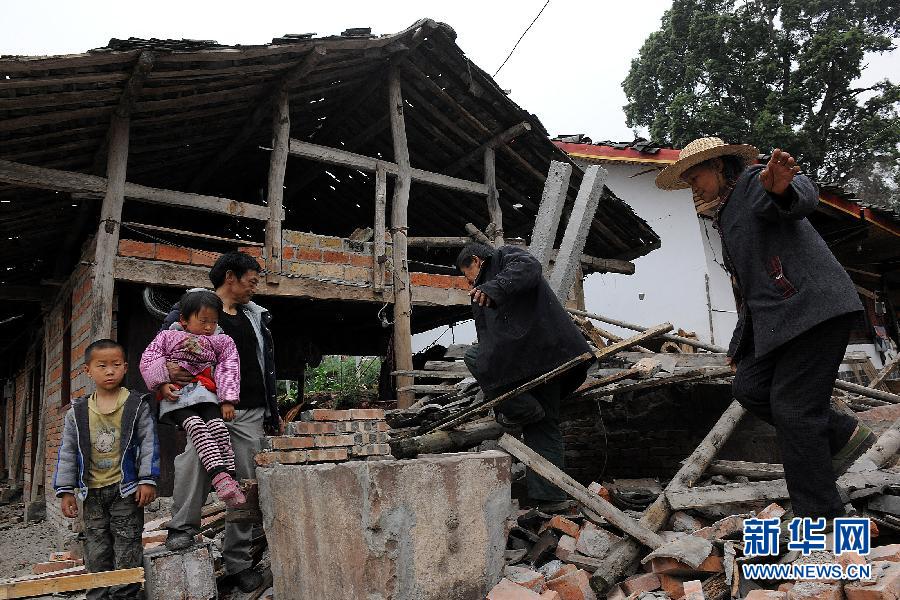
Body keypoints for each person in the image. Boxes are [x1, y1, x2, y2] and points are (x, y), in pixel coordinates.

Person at [656, 137, 876, 522]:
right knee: (749, 387)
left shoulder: (756, 182)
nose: (695, 188)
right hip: (781, 319)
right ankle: (843, 434)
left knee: (795, 411)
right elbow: (750, 290)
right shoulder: (725, 214)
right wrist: (739, 346)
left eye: (697, 178)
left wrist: (785, 187)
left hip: (815, 308)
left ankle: (821, 516)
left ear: (720, 167)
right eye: (688, 182)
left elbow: (797, 196)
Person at [163, 251, 279, 593]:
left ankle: (238, 563)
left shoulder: (255, 316)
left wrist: (272, 411)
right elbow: (166, 352)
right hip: (205, 405)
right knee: (195, 462)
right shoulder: (194, 309)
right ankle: (182, 528)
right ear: (231, 276)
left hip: (250, 410)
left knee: (244, 482)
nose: (254, 289)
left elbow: (263, 366)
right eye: (251, 281)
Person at [455, 242, 593, 512]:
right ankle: (550, 498)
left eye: (466, 273)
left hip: (547, 354)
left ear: (475, 260)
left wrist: (493, 287)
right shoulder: (483, 289)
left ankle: (525, 412)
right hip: (526, 359)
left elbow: (530, 267)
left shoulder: (505, 257)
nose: (467, 281)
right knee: (543, 423)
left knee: (475, 358)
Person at [53, 339, 159, 600]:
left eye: (115, 365)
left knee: (127, 541)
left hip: (126, 489)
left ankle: (127, 593)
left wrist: (147, 479)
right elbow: (67, 451)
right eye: (102, 366)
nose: (109, 371)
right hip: (92, 492)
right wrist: (66, 490)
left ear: (125, 368)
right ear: (88, 371)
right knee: (96, 544)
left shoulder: (136, 405)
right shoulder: (77, 412)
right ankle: (98, 593)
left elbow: (149, 443)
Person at [140, 290, 245, 508]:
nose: (209, 327)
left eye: (214, 322)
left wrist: (227, 399)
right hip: (176, 396)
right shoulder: (166, 337)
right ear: (184, 320)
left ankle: (230, 477)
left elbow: (229, 367)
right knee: (196, 426)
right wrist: (161, 382)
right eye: (203, 321)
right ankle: (220, 477)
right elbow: (149, 358)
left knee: (218, 427)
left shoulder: (221, 341)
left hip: (206, 394)